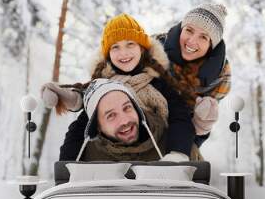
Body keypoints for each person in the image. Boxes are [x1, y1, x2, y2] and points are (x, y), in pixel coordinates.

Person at [41, 13, 199, 162]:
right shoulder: (102, 89)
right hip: (112, 157)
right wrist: (67, 166)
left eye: (130, 44)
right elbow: (80, 128)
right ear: (108, 54)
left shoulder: (159, 82)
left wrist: (178, 152)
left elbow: (180, 116)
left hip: (156, 153)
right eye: (115, 47)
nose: (123, 53)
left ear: (142, 48)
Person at [155, 3, 231, 147]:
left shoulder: (217, 79)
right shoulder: (153, 49)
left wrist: (201, 128)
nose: (192, 41)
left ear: (211, 46)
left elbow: (192, 144)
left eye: (204, 37)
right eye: (189, 30)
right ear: (182, 28)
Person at [75, 78, 166, 161]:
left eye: (127, 107)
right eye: (111, 115)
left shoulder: (169, 139)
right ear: (98, 126)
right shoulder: (90, 159)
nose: (125, 121)